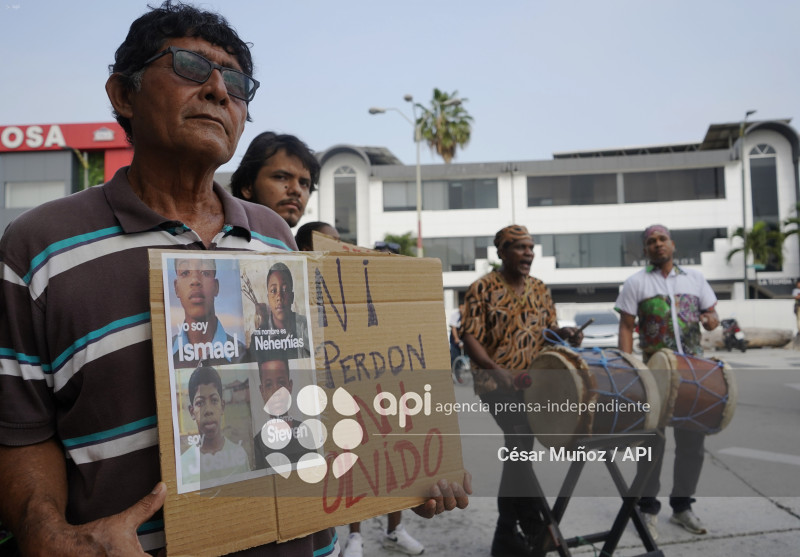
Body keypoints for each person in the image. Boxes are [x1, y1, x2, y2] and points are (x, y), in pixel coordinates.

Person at [0, 3, 470, 556]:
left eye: (238, 82)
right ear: (123, 94)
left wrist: (392, 472)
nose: (220, 91)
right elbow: (21, 432)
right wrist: (49, 536)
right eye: (191, 67)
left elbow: (316, 396)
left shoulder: (276, 238)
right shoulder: (40, 247)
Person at [461, 225, 582, 557]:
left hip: (534, 383)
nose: (528, 253)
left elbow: (549, 331)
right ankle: (522, 528)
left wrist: (567, 333)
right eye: (519, 247)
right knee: (520, 445)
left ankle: (515, 531)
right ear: (501, 252)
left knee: (520, 452)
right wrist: (497, 372)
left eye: (530, 247)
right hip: (496, 384)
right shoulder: (481, 288)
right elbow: (469, 336)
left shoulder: (540, 289)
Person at [615, 224, 720, 541]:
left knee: (692, 446)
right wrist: (628, 366)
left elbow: (712, 314)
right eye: (651, 241)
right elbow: (626, 328)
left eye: (662, 239)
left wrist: (711, 319)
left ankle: (682, 506)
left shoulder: (695, 279)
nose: (657, 244)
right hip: (653, 374)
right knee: (651, 445)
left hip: (693, 373)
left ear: (672, 244)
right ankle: (647, 508)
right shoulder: (636, 283)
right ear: (646, 249)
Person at [230, 132, 319, 228]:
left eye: (304, 183)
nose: (296, 190)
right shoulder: (218, 240)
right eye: (281, 177)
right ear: (247, 186)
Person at [181, 365, 250, 486]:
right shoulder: (183, 464)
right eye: (200, 403)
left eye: (214, 401)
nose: (208, 410)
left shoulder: (239, 454)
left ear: (222, 406)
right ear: (192, 412)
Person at [171, 257, 247, 368]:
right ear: (176, 288)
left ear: (216, 287)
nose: (195, 280)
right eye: (185, 272)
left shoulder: (244, 356)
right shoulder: (164, 352)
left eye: (205, 272)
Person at [252, 357, 308, 472]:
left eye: (281, 383)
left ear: (290, 386)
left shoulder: (305, 432)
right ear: (262, 391)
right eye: (268, 385)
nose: (276, 392)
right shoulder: (257, 444)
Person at [250, 262, 311, 360]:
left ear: (292, 297)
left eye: (285, 289)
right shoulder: (257, 338)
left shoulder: (306, 327)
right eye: (273, 291)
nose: (279, 297)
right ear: (268, 298)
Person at [449, 304, 465, 368]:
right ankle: (455, 374)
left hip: (463, 338)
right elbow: (453, 328)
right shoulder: (455, 315)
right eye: (461, 308)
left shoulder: (467, 315)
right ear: (459, 308)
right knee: (455, 357)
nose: (463, 310)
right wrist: (456, 339)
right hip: (455, 340)